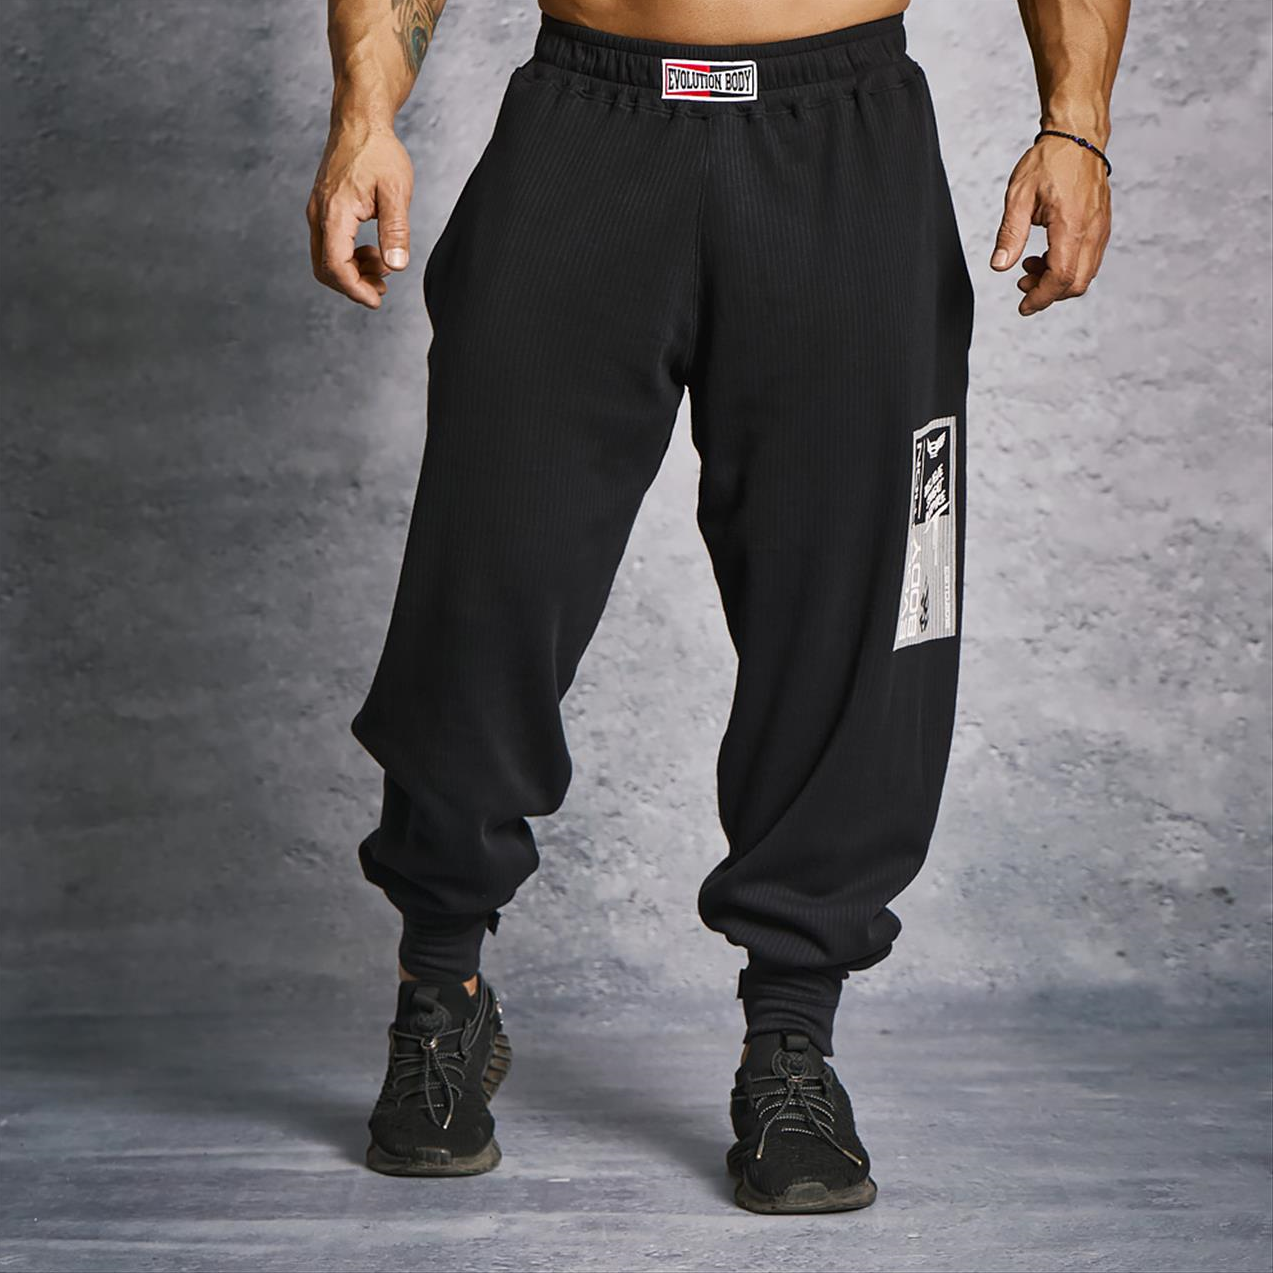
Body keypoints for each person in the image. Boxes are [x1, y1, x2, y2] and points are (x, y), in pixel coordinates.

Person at [308, 0, 1127, 1213]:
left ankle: (791, 1041)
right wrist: (363, 112)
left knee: (862, 598)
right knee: (484, 572)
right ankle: (441, 991)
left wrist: (1077, 124)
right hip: (586, 120)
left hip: (845, 135)